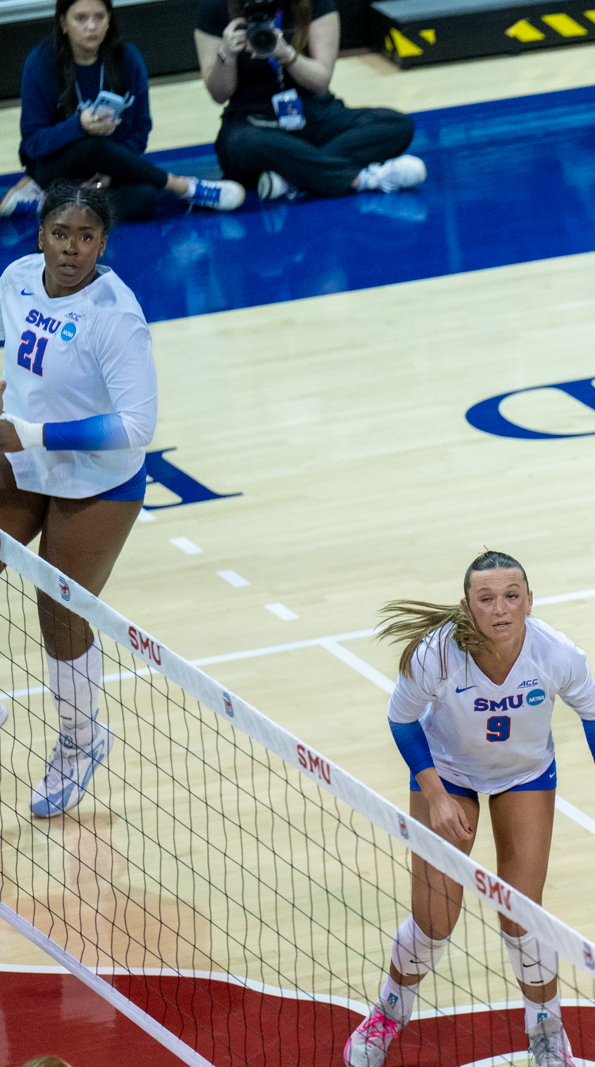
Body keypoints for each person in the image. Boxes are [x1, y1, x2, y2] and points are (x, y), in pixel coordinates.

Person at [345, 550, 595, 1067]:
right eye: (486, 599)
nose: (500, 608)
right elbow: (401, 720)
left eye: (512, 596)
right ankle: (389, 1012)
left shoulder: (558, 654)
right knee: (435, 920)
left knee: (522, 916)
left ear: (530, 600)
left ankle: (546, 1027)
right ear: (468, 605)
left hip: (524, 775)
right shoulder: (437, 654)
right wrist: (436, 795)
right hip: (449, 773)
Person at [0, 182, 155, 817]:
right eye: (60, 234)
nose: (71, 248)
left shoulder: (115, 317)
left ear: (102, 245)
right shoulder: (14, 278)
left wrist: (32, 433)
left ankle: (81, 740)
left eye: (85, 237)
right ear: (40, 236)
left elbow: (136, 427)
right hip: (21, 457)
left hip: (98, 478)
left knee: (59, 611)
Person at [9, 0, 244, 221]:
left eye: (99, 17)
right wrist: (78, 125)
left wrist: (112, 169)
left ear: (109, 19)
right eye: (80, 18)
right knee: (90, 144)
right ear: (63, 23)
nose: (91, 26)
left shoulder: (127, 58)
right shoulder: (41, 62)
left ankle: (49, 201)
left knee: (145, 198)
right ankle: (185, 187)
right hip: (54, 165)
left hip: (112, 165)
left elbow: (142, 127)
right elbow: (33, 144)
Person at [194, 0, 425, 202]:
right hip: (254, 123)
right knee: (240, 145)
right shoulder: (215, 5)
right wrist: (226, 54)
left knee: (397, 125)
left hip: (313, 114)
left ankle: (290, 177)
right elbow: (219, 95)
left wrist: (286, 54)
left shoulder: (314, 2)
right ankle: (361, 180)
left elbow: (321, 81)